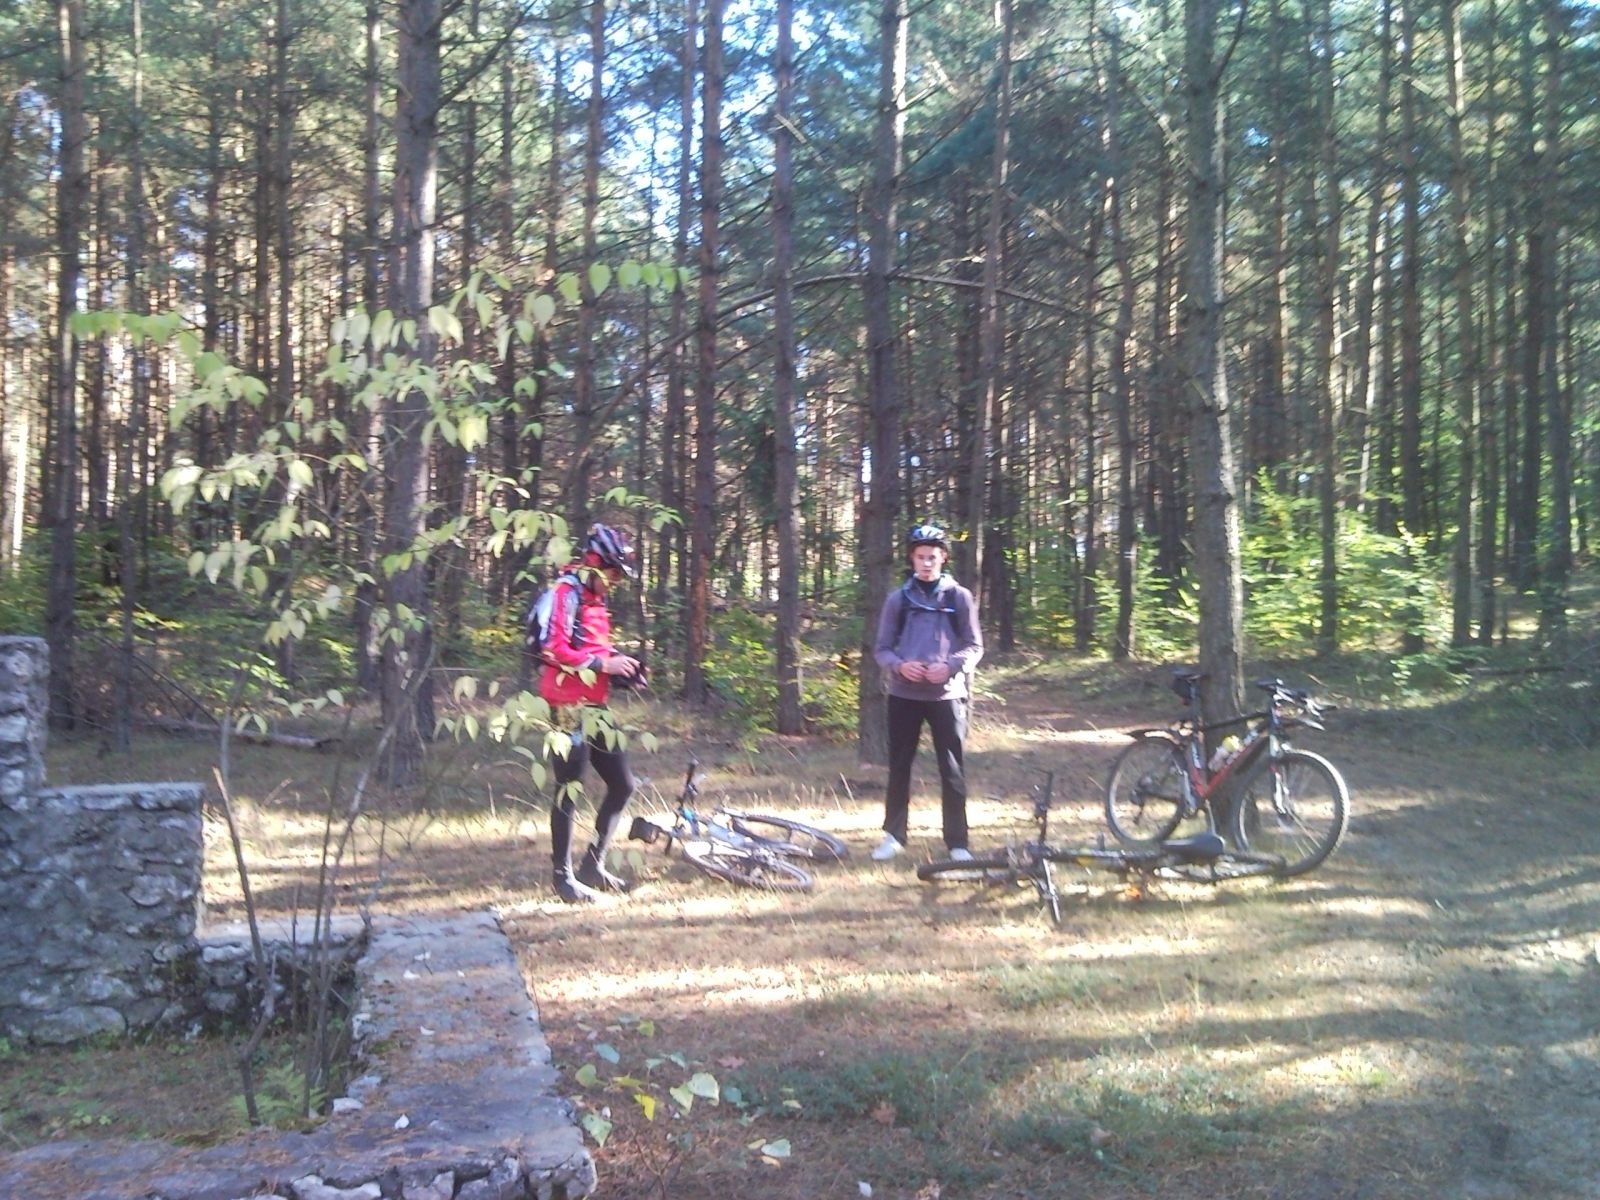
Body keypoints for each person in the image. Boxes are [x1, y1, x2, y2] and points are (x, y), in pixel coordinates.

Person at [534, 523, 644, 903]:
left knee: (623, 784)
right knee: (569, 787)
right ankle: (562, 879)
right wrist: (603, 664)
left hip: (595, 704)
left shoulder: (594, 599)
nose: (616, 582)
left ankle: (592, 867)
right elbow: (553, 650)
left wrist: (623, 669)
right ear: (595, 563)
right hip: (565, 704)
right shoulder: (566, 592)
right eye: (613, 574)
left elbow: (594, 651)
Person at [871, 523, 983, 862]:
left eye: (932, 557)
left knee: (952, 769)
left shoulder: (959, 597)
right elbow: (882, 649)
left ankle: (958, 843)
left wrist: (950, 666)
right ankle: (894, 836)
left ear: (943, 558)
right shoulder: (898, 600)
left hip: (946, 696)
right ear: (912, 559)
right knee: (899, 766)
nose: (926, 563)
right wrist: (899, 666)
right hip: (904, 696)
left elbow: (974, 646)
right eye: (920, 557)